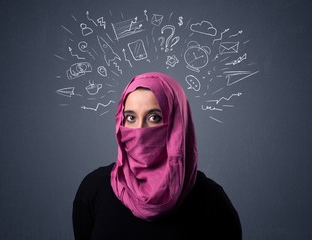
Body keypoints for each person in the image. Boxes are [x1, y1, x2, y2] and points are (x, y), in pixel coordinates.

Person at [72, 72, 242, 239]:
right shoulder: (94, 189)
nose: (139, 130)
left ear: (177, 124)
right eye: (131, 117)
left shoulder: (212, 201)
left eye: (154, 117)